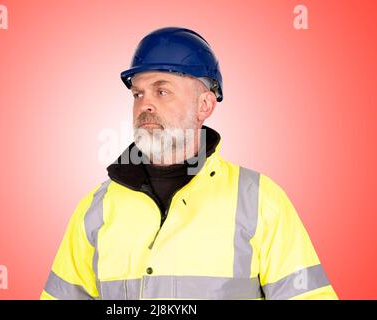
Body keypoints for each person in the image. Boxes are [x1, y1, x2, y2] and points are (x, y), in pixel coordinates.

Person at [40, 27, 338, 300]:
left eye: (162, 90)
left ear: (204, 105)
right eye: (138, 93)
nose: (145, 104)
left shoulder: (259, 202)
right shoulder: (97, 208)